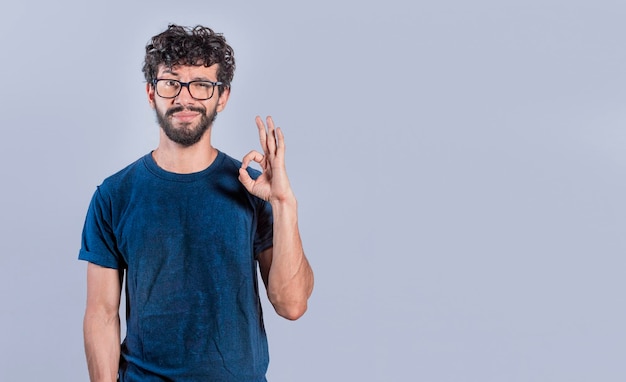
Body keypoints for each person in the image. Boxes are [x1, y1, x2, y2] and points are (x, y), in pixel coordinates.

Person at [78, 24, 314, 382]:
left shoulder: (251, 190)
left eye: (201, 85)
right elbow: (101, 315)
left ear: (222, 96)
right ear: (150, 92)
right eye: (171, 82)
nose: (184, 99)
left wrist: (283, 202)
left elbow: (292, 304)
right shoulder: (114, 195)